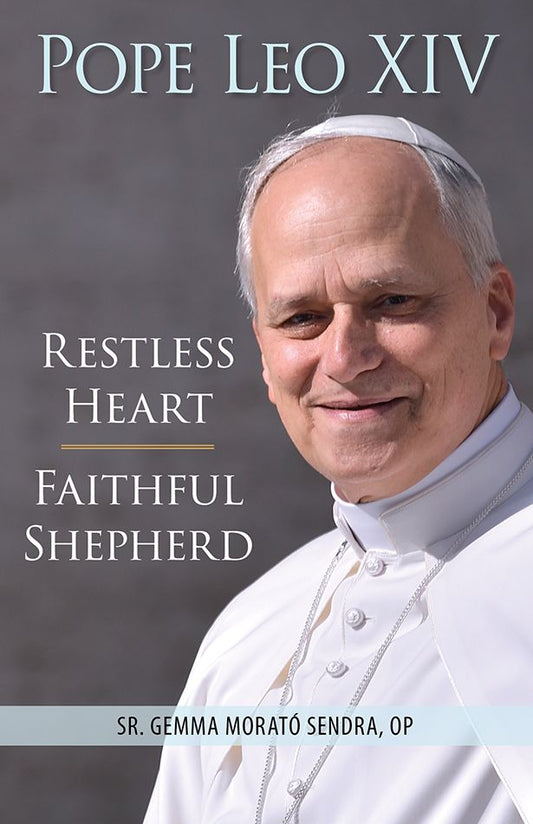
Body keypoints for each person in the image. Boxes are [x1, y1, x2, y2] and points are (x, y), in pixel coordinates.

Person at [143, 115, 533, 823]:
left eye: (392, 302)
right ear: (264, 355)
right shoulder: (251, 627)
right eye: (301, 318)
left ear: (495, 312)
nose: (346, 355)